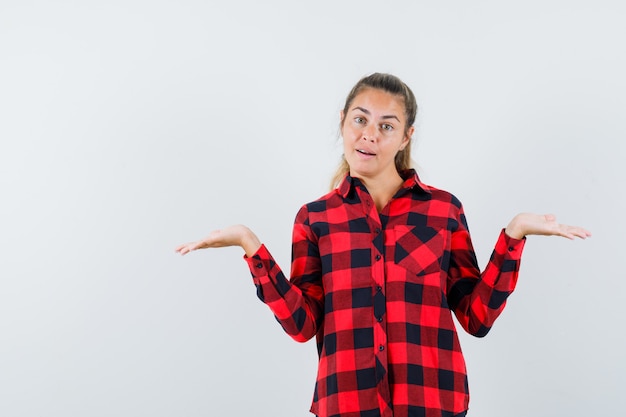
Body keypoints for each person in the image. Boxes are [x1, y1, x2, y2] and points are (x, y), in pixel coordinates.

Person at [175, 73, 591, 417]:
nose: (369, 135)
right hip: (346, 404)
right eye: (360, 120)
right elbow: (302, 326)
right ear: (342, 122)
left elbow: (477, 317)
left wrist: (514, 236)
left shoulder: (443, 211)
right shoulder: (314, 219)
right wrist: (251, 247)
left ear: (406, 136)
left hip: (434, 404)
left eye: (386, 125)